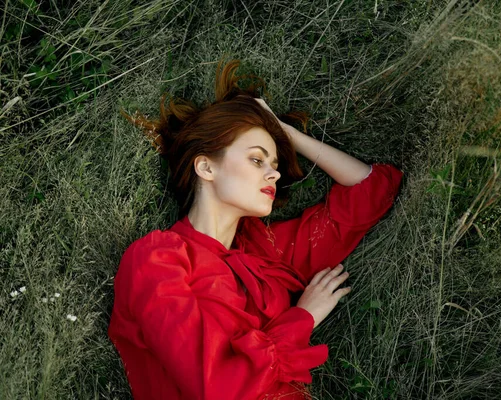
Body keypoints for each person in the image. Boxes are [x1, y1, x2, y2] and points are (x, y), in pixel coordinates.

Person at [107, 59, 404, 400]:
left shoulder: (265, 252)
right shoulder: (157, 259)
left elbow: (373, 190)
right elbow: (216, 389)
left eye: (275, 165)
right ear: (206, 166)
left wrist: (284, 133)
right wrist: (302, 317)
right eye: (257, 159)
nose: (274, 174)